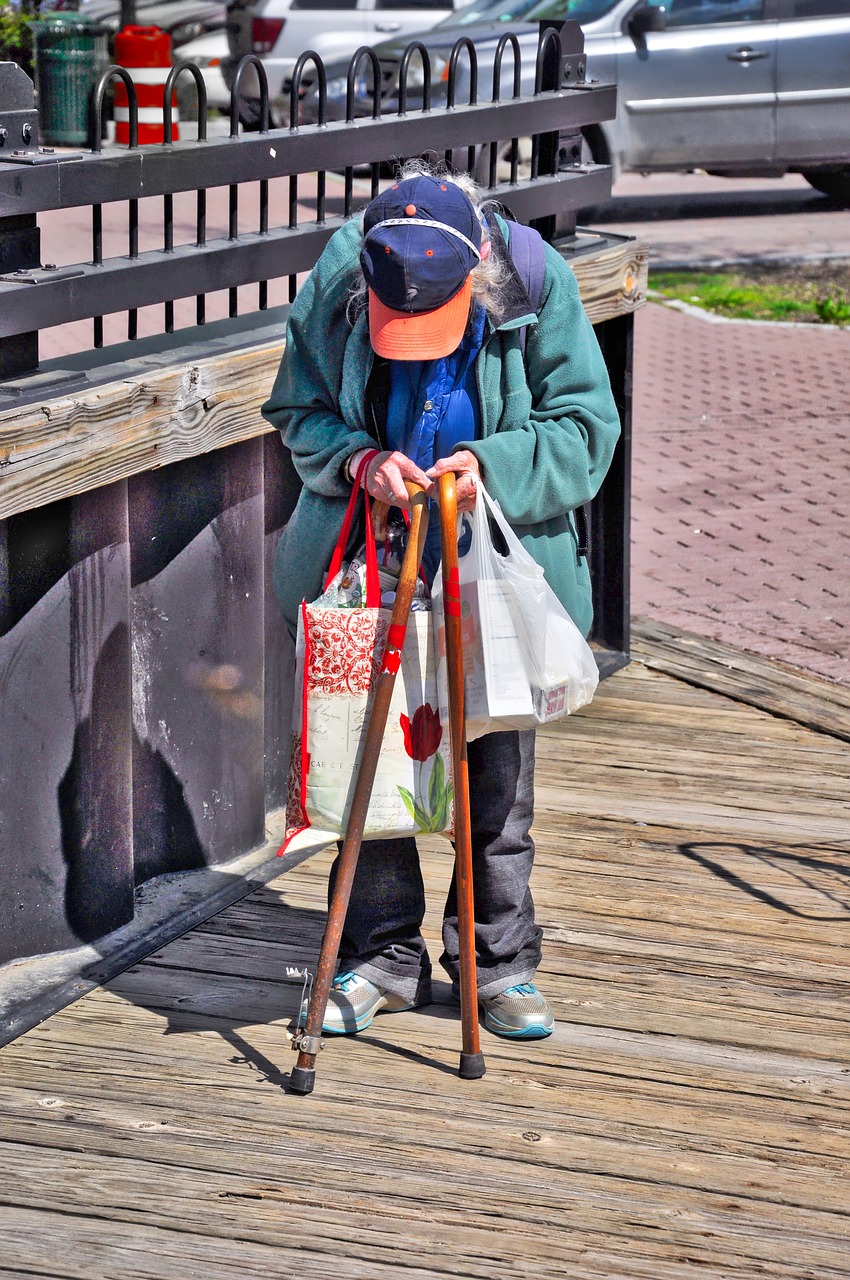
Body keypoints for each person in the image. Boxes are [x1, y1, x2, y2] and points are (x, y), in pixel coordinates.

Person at [262, 164, 620, 1040]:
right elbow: (296, 408)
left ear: (477, 281)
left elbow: (585, 430)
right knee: (371, 761)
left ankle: (496, 964)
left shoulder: (535, 283)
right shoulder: (341, 277)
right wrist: (358, 459)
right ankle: (381, 957)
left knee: (495, 771)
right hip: (370, 552)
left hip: (496, 564)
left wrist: (488, 465)